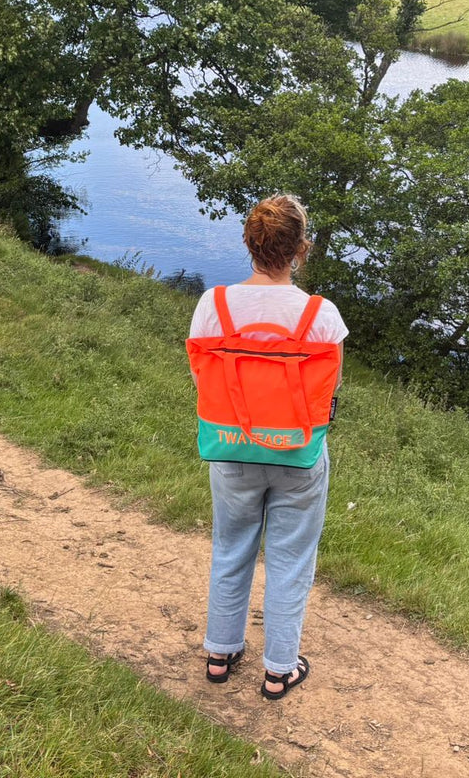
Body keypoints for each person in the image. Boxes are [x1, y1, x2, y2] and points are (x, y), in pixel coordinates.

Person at [188, 194, 346, 700]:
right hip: (298, 454)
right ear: (301, 249)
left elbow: (201, 375)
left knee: (231, 547)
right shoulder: (322, 316)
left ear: (248, 244)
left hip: (230, 447)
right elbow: (330, 392)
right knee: (290, 559)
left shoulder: (211, 305)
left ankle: (220, 653)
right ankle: (279, 668)